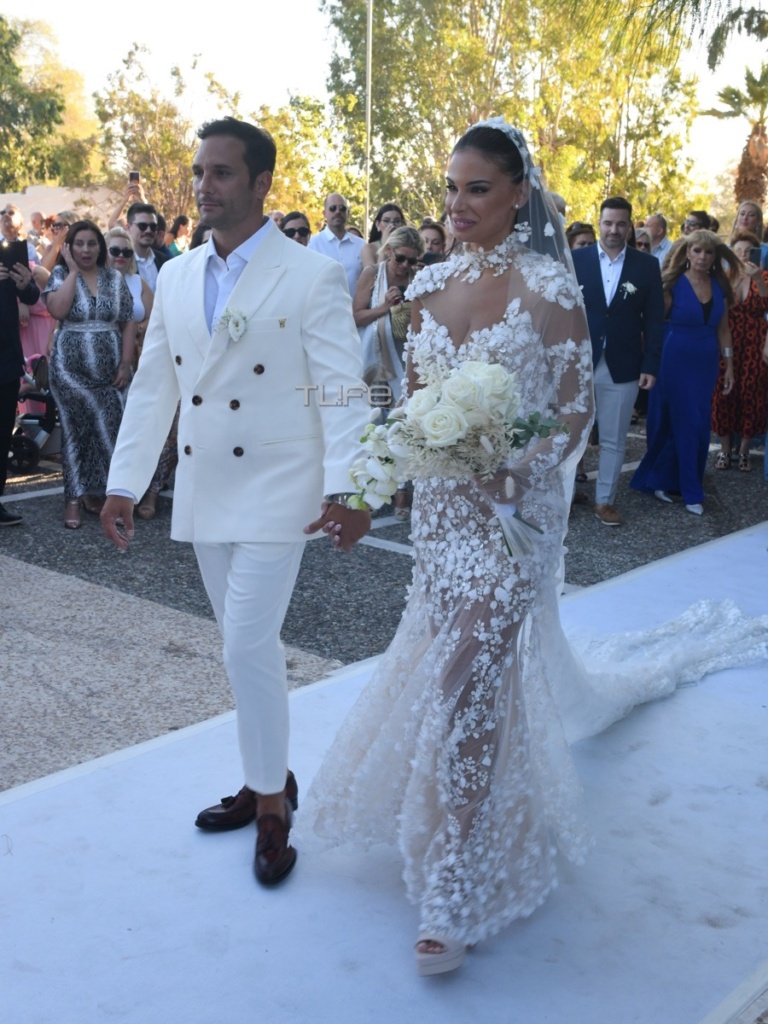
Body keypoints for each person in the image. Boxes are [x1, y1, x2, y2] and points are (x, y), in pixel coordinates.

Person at [303, 117, 595, 975]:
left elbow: (573, 409)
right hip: (440, 517)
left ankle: (453, 876)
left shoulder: (550, 289)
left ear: (518, 194)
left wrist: (516, 457)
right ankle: (448, 810)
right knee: (454, 674)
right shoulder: (426, 286)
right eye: (451, 188)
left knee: (470, 677)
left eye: (478, 189)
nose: (458, 205)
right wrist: (364, 495)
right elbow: (409, 409)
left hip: (513, 518)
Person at [101, 116, 371, 886]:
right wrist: (125, 481)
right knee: (244, 647)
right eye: (199, 172)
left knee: (245, 643)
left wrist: (351, 486)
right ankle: (268, 777)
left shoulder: (310, 274)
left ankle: (272, 804)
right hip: (206, 482)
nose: (203, 186)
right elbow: (155, 385)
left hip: (282, 486)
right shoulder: (177, 275)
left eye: (220, 173)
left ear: (260, 183)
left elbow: (341, 388)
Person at [630, 230, 739, 514]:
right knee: (681, 420)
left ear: (715, 256)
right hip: (673, 359)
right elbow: (654, 325)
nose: (703, 257)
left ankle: (664, 481)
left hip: (705, 362)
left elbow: (724, 330)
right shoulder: (672, 283)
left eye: (709, 252)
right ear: (687, 253)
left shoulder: (719, 285)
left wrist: (729, 366)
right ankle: (691, 492)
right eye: (697, 251)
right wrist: (647, 363)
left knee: (698, 423)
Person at [572, 197, 665, 525]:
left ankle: (605, 501)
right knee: (570, 435)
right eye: (608, 223)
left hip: (624, 364)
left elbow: (654, 319)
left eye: (621, 224)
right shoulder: (575, 260)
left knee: (614, 438)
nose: (614, 229)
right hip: (578, 363)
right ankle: (566, 495)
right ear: (599, 222)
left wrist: (650, 364)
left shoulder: (646, 266)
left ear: (629, 226)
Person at [43, 221, 136, 528]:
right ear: (69, 248)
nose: (86, 249)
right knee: (76, 430)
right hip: (70, 372)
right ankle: (73, 499)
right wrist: (71, 270)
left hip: (110, 372)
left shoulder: (114, 278)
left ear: (100, 246)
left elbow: (127, 320)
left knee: (110, 429)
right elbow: (58, 310)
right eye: (79, 244)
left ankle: (103, 494)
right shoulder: (60, 275)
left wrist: (125, 363)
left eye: (91, 243)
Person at [712, 231, 768, 472]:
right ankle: (725, 449)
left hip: (756, 343)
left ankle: (744, 449)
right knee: (723, 393)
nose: (744, 255)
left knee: (751, 394)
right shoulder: (724, 278)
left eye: (748, 251)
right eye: (738, 250)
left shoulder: (764, 276)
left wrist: (758, 280)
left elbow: (766, 305)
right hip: (727, 340)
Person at [0, 255, 39, 526]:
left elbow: (32, 296)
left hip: (6, 360)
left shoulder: (5, 256)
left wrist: (25, 284)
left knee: (2, 435)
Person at [104, 227, 154, 356]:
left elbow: (155, 316)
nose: (121, 255)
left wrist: (138, 329)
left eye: (127, 252)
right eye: (115, 251)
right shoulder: (93, 280)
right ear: (104, 252)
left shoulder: (138, 282)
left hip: (133, 353)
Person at [308, 192, 365, 293]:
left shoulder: (361, 245)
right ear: (324, 213)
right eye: (332, 208)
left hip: (355, 303)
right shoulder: (312, 244)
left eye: (342, 208)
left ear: (348, 213)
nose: (338, 212)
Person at [126, 203, 171, 291]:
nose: (148, 230)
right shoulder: (122, 262)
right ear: (128, 228)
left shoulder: (164, 261)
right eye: (142, 226)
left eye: (153, 227)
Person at [361, 203, 405, 268]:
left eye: (397, 221)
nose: (392, 225)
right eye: (386, 221)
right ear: (378, 224)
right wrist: (385, 246)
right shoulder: (369, 248)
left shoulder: (407, 247)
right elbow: (375, 273)